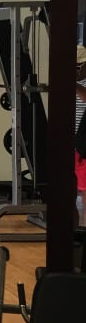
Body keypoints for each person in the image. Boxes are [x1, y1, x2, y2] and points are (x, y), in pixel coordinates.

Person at [75, 46, 86, 225]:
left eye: (78, 67)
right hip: (70, 143)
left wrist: (74, 85)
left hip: (84, 144)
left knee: (84, 191)